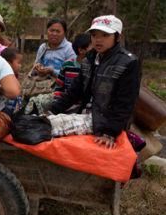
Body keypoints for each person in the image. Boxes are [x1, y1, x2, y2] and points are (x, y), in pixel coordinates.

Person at [50, 15, 141, 149]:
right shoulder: (90, 58)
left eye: (105, 35)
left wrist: (110, 132)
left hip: (104, 120)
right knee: (39, 118)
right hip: (84, 112)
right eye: (94, 35)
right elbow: (74, 92)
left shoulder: (128, 63)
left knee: (47, 126)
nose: (98, 40)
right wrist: (53, 110)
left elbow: (125, 103)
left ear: (117, 37)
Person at [0, 48, 23, 117]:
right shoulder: (1, 76)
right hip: (0, 109)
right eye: (19, 63)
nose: (20, 66)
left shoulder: (14, 75)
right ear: (8, 63)